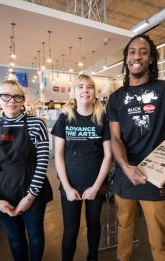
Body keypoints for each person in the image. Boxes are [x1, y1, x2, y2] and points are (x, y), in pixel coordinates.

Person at [106, 34, 165, 261]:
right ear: (126, 58)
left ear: (151, 59)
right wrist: (125, 166)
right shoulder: (116, 98)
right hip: (124, 175)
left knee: (158, 238)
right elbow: (114, 137)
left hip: (155, 176)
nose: (137, 56)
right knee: (124, 227)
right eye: (132, 51)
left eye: (143, 51)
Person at [0, 79, 53, 261]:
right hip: (3, 193)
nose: (12, 101)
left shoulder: (36, 125)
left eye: (17, 97)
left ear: (23, 100)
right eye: (6, 96)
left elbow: (42, 163)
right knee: (15, 239)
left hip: (32, 190)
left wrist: (30, 197)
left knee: (35, 236)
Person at [51, 74, 112, 261]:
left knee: (94, 225)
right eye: (80, 87)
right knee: (70, 230)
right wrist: (67, 188)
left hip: (96, 185)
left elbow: (108, 155)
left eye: (89, 87)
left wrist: (95, 187)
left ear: (95, 92)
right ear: (73, 92)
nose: (85, 90)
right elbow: (58, 155)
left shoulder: (103, 118)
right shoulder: (65, 118)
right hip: (71, 185)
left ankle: (92, 257)